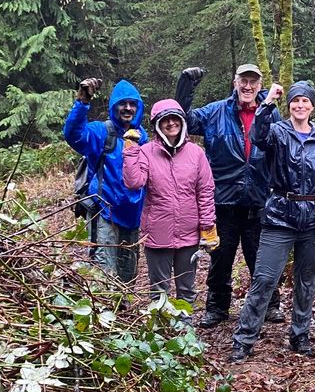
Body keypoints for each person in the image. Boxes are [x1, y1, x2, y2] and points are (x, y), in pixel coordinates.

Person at [229, 81, 315, 363]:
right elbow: (257, 136)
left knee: (306, 280)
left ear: (313, 106)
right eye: (295, 101)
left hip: (314, 217)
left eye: (305, 101)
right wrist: (268, 102)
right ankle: (244, 338)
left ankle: (300, 333)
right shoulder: (277, 133)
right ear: (289, 104)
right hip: (280, 213)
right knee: (265, 278)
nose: (300, 106)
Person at [176, 64, 283, 328]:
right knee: (221, 256)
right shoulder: (215, 112)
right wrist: (186, 86)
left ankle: (269, 304)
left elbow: (282, 148)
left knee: (259, 256)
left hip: (259, 197)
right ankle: (217, 306)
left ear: (260, 85)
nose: (248, 87)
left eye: (253, 82)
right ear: (235, 82)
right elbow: (184, 120)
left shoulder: (270, 113)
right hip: (223, 197)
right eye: (243, 81)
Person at [123, 99, 218, 309]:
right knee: (159, 289)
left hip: (190, 234)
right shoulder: (146, 151)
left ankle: (185, 333)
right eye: (165, 120)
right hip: (158, 233)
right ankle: (161, 334)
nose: (171, 123)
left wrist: (208, 227)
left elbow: (205, 192)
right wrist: (130, 151)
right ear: (158, 124)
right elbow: (133, 183)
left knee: (186, 288)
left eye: (175, 118)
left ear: (182, 122)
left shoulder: (196, 153)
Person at [64, 78, 147, 284]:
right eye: (122, 103)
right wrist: (82, 103)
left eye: (132, 104)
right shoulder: (102, 132)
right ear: (114, 106)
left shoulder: (141, 135)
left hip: (133, 214)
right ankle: (102, 311)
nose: (128, 108)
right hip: (105, 212)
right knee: (104, 271)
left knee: (128, 273)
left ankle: (124, 312)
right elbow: (74, 135)